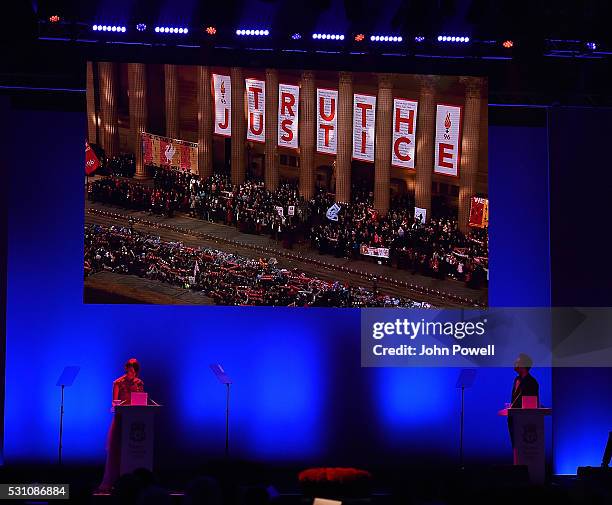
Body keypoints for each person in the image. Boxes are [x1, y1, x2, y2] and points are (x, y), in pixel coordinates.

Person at [99, 358, 145, 493]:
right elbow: (115, 403)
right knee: (117, 449)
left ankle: (135, 479)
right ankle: (115, 480)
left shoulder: (139, 383)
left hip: (135, 420)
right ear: (126, 369)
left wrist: (137, 389)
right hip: (121, 419)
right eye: (129, 369)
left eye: (134, 370)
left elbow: (141, 402)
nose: (131, 372)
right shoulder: (118, 383)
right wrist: (120, 405)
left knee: (132, 448)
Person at [508, 353, 539, 449]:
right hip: (513, 418)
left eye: (517, 362)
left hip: (525, 421)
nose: (514, 363)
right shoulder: (516, 379)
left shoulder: (532, 382)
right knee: (515, 447)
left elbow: (533, 403)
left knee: (524, 447)